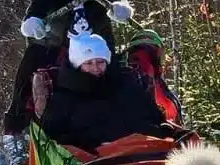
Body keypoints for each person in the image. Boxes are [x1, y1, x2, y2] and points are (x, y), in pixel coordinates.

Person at [3, 0, 135, 136]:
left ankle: (123, 123)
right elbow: (36, 7)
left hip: (96, 43)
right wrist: (33, 22)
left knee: (116, 74)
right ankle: (17, 122)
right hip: (59, 44)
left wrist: (120, 6)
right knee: (31, 62)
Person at [39, 31, 169, 152]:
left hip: (143, 149)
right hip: (95, 159)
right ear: (77, 65)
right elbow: (54, 137)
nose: (95, 67)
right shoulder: (64, 95)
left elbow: (153, 115)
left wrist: (161, 129)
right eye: (88, 63)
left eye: (100, 62)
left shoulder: (126, 83)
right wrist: (88, 143)